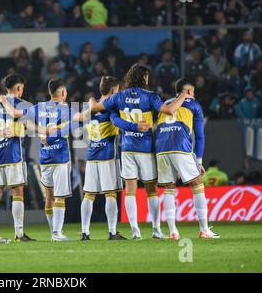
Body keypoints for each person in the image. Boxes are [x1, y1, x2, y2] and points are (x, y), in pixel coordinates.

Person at [89, 64, 191, 239]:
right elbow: (169, 110)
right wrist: (182, 94)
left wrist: (91, 100)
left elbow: (97, 107)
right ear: (144, 77)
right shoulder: (150, 96)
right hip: (145, 149)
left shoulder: (120, 96)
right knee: (151, 189)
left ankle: (135, 231)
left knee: (130, 190)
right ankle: (156, 230)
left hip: (127, 149)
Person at [0, 78, 74, 241]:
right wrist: (51, 137)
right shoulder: (66, 109)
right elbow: (69, 127)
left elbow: (16, 114)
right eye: (65, 91)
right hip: (60, 156)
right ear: (62, 93)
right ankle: (57, 233)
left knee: (49, 197)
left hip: (45, 158)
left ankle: (53, 232)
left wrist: (4, 101)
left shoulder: (38, 107)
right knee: (60, 197)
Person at [73, 76, 147, 241]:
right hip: (108, 155)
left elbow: (76, 119)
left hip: (92, 155)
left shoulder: (89, 107)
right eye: (118, 90)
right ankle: (112, 232)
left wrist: (91, 104)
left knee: (89, 195)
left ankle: (85, 233)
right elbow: (119, 122)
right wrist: (136, 126)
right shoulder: (113, 106)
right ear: (114, 90)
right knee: (111, 194)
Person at [155, 78, 219, 239]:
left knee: (169, 188)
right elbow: (200, 136)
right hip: (180, 148)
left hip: (161, 150)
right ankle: (204, 230)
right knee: (197, 184)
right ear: (188, 91)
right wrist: (199, 162)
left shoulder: (164, 104)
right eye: (193, 91)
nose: (194, 94)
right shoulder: (194, 105)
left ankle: (173, 231)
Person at [0, 74, 36, 243]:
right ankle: (19, 233)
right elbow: (26, 126)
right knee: (17, 191)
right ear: (19, 88)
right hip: (14, 154)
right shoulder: (26, 105)